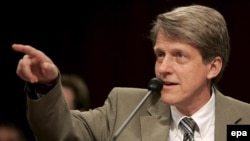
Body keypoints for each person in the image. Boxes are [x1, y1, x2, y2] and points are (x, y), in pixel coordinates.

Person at [12, 4, 250, 141]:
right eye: (160, 54)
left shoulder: (245, 120)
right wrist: (46, 85)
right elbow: (60, 133)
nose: (163, 68)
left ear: (213, 66)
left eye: (179, 55)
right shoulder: (125, 108)